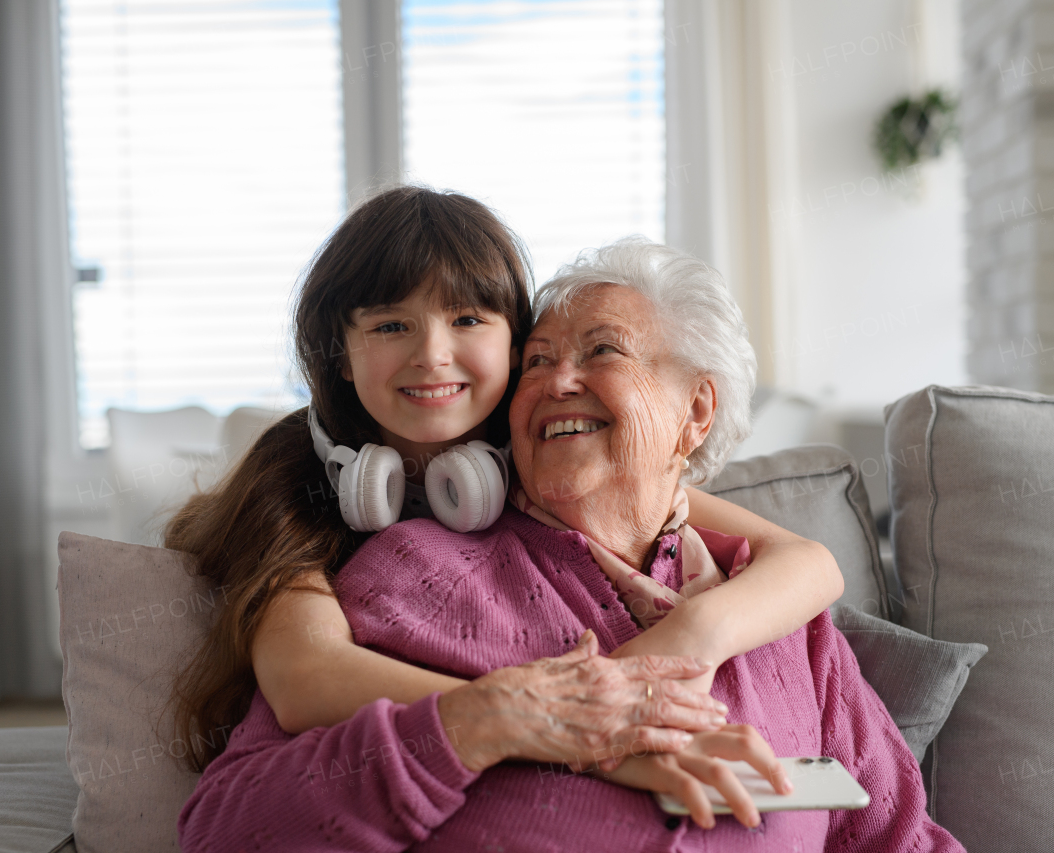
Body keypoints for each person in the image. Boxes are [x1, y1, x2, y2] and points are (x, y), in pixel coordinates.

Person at [177, 238, 964, 852]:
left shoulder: (788, 622)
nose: (557, 380)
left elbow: (899, 836)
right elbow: (225, 827)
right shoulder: (417, 574)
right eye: (537, 361)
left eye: (602, 351)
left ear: (695, 412)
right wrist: (475, 724)